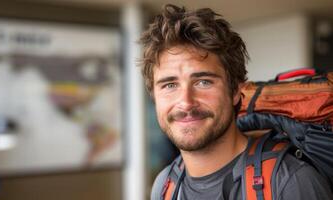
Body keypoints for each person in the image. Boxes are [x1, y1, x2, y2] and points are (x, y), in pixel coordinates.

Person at [139, 4, 333, 200]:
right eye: (169, 85)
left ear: (235, 91)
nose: (186, 102)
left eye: (203, 82)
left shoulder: (290, 181)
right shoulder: (165, 186)